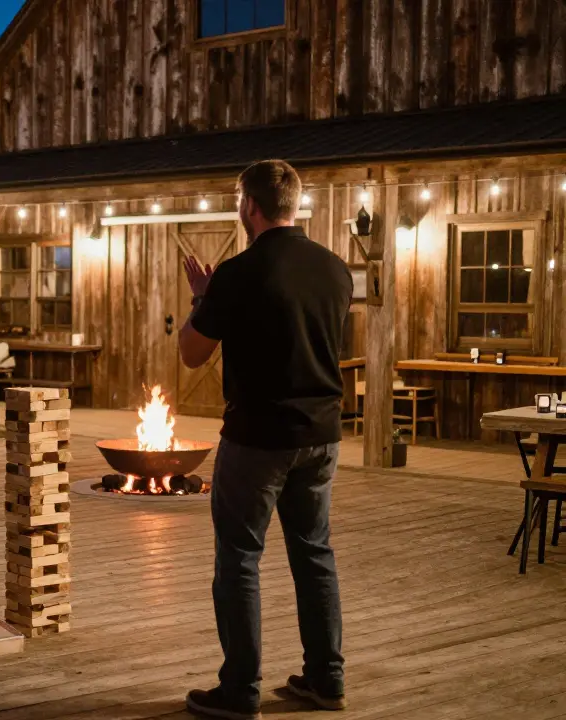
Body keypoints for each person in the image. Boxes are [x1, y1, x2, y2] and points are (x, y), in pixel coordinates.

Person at [179, 160, 352, 720]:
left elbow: (192, 353)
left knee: (239, 558)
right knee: (315, 555)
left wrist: (203, 300)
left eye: (238, 201)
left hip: (257, 438)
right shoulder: (335, 270)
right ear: (294, 204)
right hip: (322, 434)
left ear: (250, 206)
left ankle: (240, 692)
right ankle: (326, 682)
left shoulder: (237, 273)